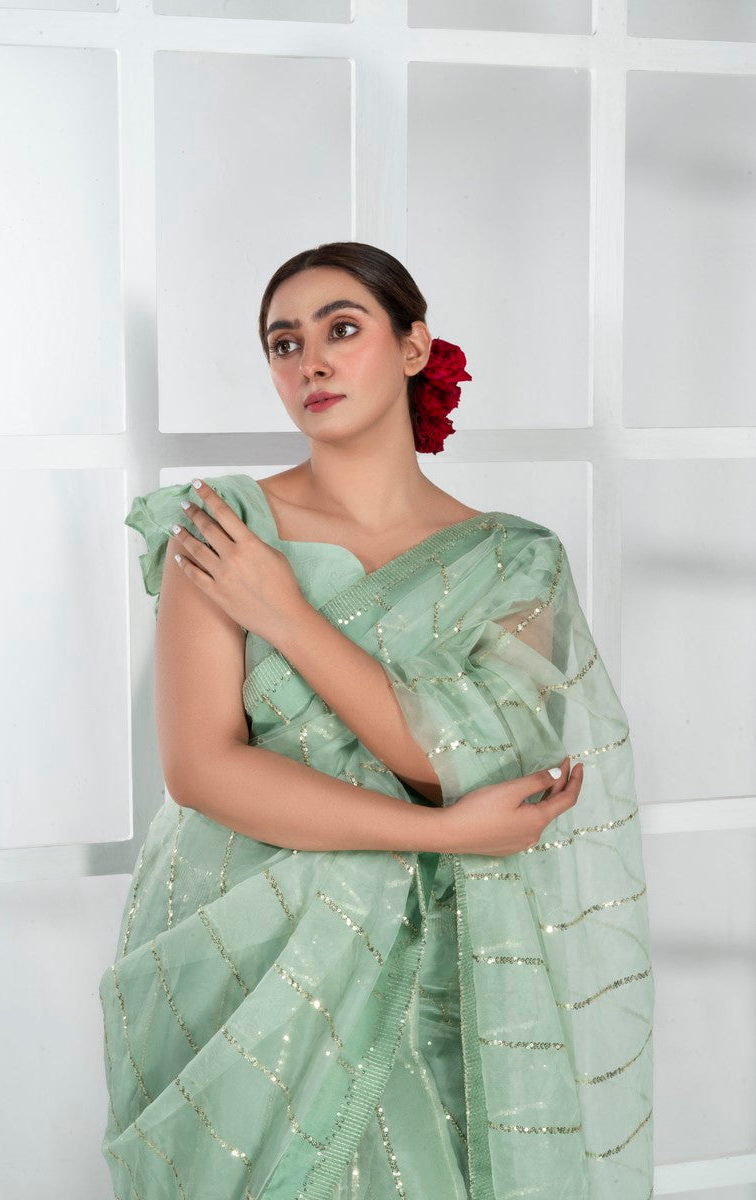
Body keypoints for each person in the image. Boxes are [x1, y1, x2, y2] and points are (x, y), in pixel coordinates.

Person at [99, 241, 655, 1199]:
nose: (309, 362)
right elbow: (201, 770)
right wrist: (444, 834)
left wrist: (284, 615)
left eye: (341, 329)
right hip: (246, 959)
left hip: (438, 950)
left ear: (413, 347)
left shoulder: (513, 561)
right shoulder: (222, 527)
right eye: (284, 343)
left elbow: (464, 760)